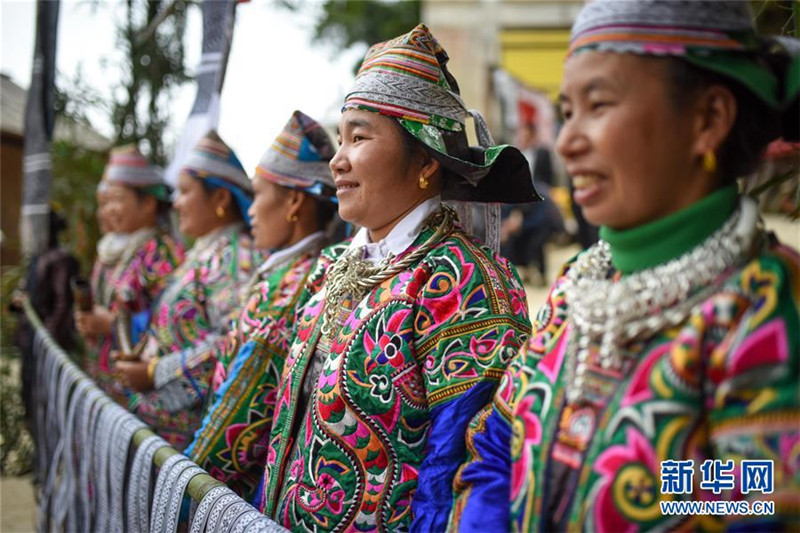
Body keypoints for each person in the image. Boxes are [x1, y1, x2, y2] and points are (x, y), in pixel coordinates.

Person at [451, 1, 800, 530]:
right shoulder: (577, 285)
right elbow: (495, 448)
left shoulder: (769, 301)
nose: (567, 142)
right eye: (568, 112)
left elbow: (762, 494)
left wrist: (639, 484)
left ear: (708, 119)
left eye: (599, 105)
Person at [258, 24, 538, 532]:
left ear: (427, 161)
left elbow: (457, 473)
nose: (337, 161)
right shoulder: (336, 267)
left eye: (359, 137)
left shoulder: (464, 282)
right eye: (339, 139)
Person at [186, 110, 339, 502]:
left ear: (292, 201)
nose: (249, 210)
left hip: (237, 491)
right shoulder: (291, 271)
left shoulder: (295, 283)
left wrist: (183, 479)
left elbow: (246, 407)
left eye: (257, 195)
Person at [115, 131, 258, 451]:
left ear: (221, 198)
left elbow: (231, 343)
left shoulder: (236, 258)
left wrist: (154, 372)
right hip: (164, 433)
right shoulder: (207, 251)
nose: (176, 203)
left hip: (190, 442)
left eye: (184, 192)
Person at [75, 145, 184, 391]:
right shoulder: (112, 249)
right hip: (102, 380)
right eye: (107, 201)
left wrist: (111, 324)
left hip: (137, 390)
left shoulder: (162, 252)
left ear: (147, 203)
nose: (109, 209)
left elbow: (173, 320)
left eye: (117, 199)